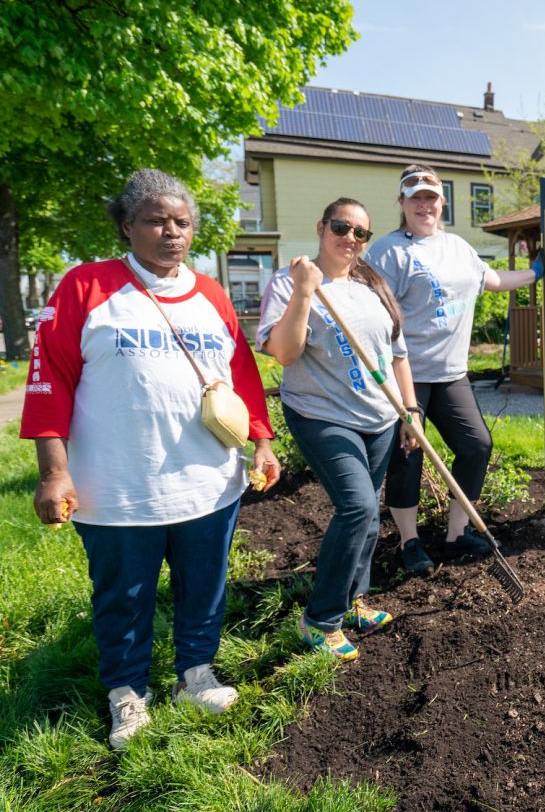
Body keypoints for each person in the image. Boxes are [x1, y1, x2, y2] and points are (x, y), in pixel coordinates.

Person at [21, 169, 281, 749]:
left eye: (182, 222)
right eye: (156, 220)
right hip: (117, 485)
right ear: (126, 226)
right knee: (124, 595)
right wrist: (54, 471)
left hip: (208, 482)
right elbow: (50, 382)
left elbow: (241, 377)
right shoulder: (85, 288)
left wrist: (262, 442)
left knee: (204, 584)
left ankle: (195, 673)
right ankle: (127, 692)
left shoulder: (212, 294)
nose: (171, 232)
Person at [258, 198, 420, 661]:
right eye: (341, 226)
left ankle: (353, 601)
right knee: (357, 506)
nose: (350, 238)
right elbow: (285, 354)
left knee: (368, 517)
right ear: (321, 226)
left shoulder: (373, 287)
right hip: (322, 414)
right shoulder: (290, 282)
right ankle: (320, 619)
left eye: (361, 232)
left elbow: (397, 356)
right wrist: (305, 292)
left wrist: (410, 411)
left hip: (380, 417)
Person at [366, 165, 542, 572]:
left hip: (451, 373)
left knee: (476, 446)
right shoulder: (388, 251)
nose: (424, 204)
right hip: (406, 374)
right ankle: (410, 543)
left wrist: (534, 273)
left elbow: (492, 279)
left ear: (442, 202)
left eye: (431, 197)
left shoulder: (458, 247)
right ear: (402, 204)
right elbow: (375, 314)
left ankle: (456, 534)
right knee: (409, 456)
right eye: (415, 197)